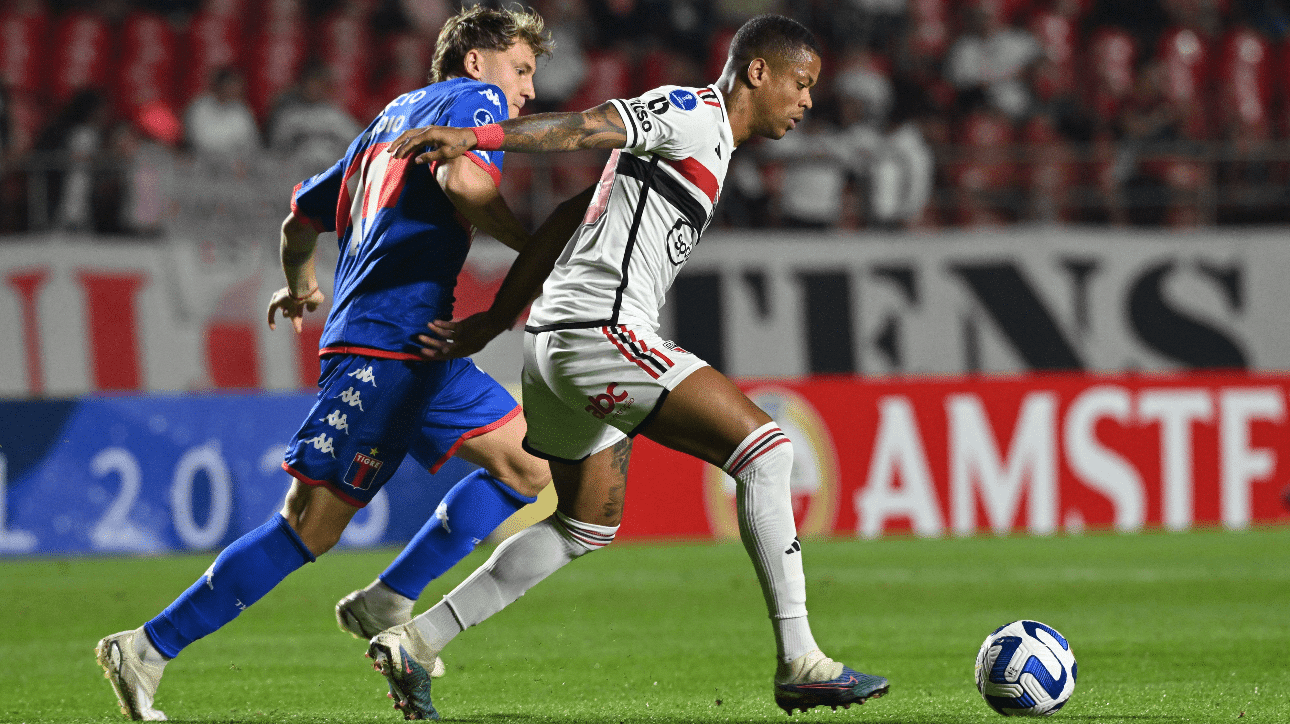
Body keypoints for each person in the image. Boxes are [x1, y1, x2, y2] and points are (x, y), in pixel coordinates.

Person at [367, 14, 890, 720]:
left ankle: (417, 640)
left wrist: (496, 319)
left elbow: (568, 216)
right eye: (800, 83)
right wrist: (476, 137)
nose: (806, 101)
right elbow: (586, 127)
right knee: (768, 452)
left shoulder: (710, 150)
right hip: (598, 333)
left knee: (584, 526)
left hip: (554, 341)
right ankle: (800, 660)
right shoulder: (692, 112)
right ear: (757, 71)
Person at [95, 7, 588, 720]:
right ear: (477, 61)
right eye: (521, 69)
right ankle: (146, 646)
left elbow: (300, 217)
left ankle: (389, 598)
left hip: (424, 343)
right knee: (310, 525)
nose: (528, 91)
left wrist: (300, 282)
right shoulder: (473, 102)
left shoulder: (385, 122)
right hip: (386, 344)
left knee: (527, 465)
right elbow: (464, 184)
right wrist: (533, 246)